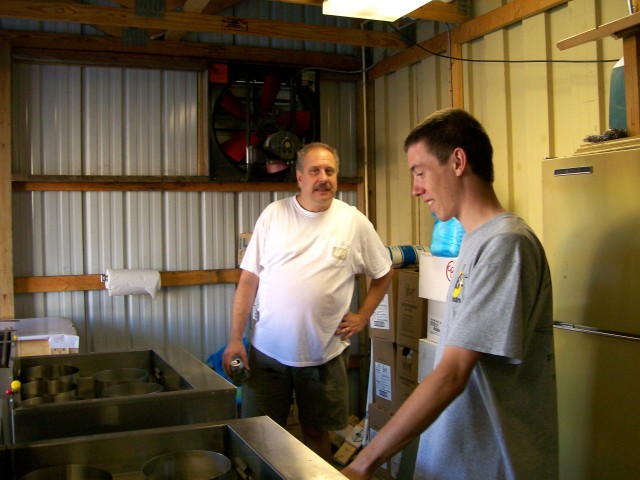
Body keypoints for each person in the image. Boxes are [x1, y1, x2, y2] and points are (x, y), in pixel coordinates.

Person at [343, 109, 558, 479]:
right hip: (460, 460)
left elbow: (453, 373)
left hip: (494, 462)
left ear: (458, 161)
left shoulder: (506, 245)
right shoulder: (474, 243)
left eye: (420, 171)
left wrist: (363, 463)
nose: (415, 188)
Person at [223, 142, 393, 461]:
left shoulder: (353, 221)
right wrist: (235, 339)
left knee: (317, 432)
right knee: (261, 432)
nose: (323, 178)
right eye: (315, 171)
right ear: (299, 177)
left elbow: (383, 273)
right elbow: (248, 280)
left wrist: (363, 316)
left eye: (330, 171)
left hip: (324, 353)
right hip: (268, 353)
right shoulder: (274, 215)